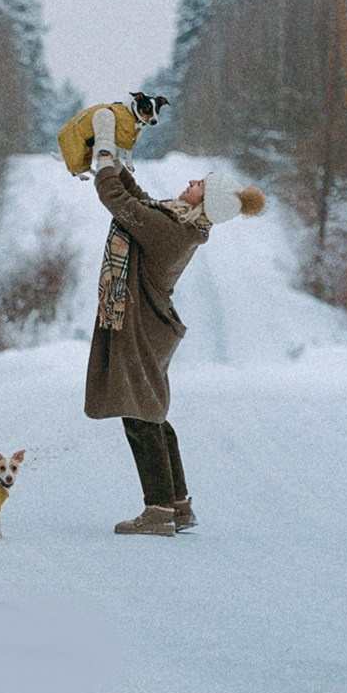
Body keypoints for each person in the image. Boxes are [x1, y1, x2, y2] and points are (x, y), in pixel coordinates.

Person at [84, 147, 264, 536]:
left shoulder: (169, 231)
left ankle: (159, 509)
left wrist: (102, 160)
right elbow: (139, 200)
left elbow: (117, 201)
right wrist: (116, 161)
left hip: (141, 326)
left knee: (140, 417)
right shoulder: (177, 223)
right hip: (150, 325)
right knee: (152, 414)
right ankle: (179, 504)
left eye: (199, 185)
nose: (191, 183)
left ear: (207, 202)